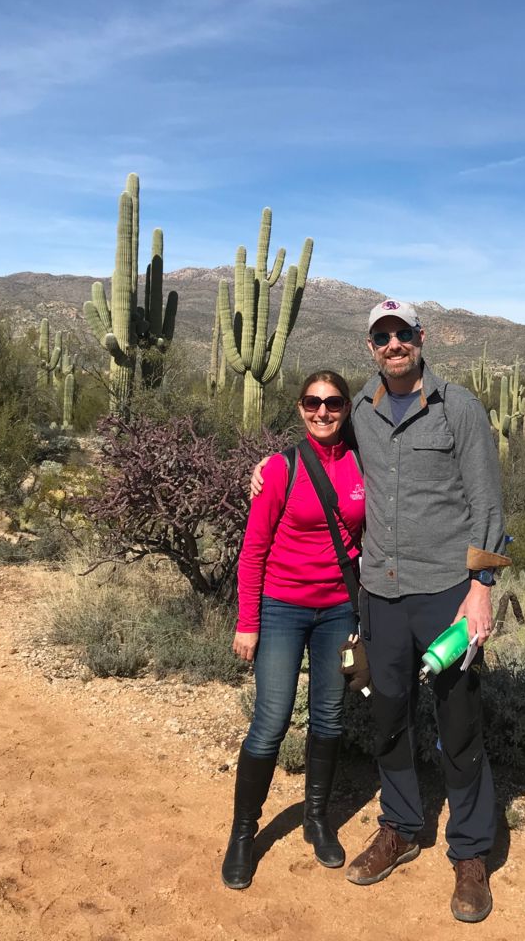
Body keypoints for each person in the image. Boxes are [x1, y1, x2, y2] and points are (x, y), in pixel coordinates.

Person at [252, 301, 508, 923]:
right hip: (380, 595)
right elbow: (316, 452)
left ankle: (471, 854)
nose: (393, 344)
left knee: (459, 720)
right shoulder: (360, 411)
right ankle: (400, 826)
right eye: (381, 336)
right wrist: (263, 468)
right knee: (388, 716)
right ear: (371, 347)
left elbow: (488, 503)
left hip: (446, 590)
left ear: (420, 339)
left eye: (402, 334)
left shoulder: (459, 407)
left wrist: (480, 588)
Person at [222, 370, 364, 891]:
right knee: (271, 720)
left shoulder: (359, 463)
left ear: (347, 408)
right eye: (312, 402)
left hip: (339, 610)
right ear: (300, 407)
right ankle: (243, 834)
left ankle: (317, 818)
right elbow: (253, 550)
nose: (321, 412)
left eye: (332, 403)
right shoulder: (281, 468)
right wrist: (247, 623)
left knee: (329, 717)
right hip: (282, 609)